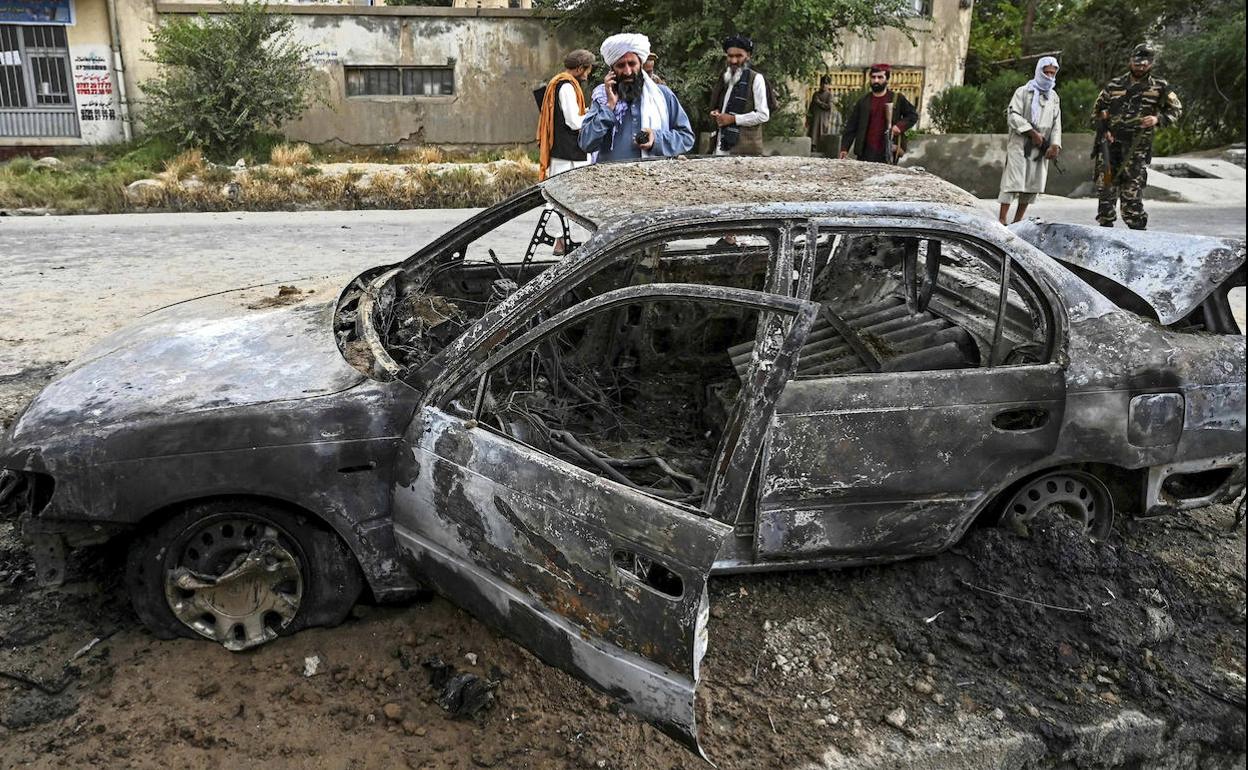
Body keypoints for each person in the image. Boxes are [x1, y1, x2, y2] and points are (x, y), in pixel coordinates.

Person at [1092, 44, 1182, 229]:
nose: (1140, 67)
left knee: (1132, 198)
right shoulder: (1114, 85)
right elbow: (1098, 109)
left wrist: (1157, 119)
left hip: (1137, 151)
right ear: (1130, 62)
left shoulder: (1160, 87)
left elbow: (1176, 110)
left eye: (1144, 64)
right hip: (1109, 150)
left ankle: (1138, 235)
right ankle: (1105, 233)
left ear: (1150, 64)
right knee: (1106, 194)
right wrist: (1104, 129)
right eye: (1137, 63)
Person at [579, 33, 695, 162]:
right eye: (621, 65)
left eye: (632, 64)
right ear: (612, 69)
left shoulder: (662, 95)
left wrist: (656, 139)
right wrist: (609, 108)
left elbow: (686, 138)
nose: (627, 71)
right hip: (610, 179)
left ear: (640, 64)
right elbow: (585, 143)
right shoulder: (602, 98)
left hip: (653, 178)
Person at [997, 56, 1063, 224]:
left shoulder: (1053, 97)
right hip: (1020, 142)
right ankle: (1002, 219)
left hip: (1041, 147)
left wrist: (1054, 144)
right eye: (1046, 72)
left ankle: (1018, 222)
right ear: (1039, 71)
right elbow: (1013, 115)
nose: (1048, 76)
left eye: (1052, 73)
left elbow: (1057, 123)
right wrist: (1032, 132)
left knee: (1032, 184)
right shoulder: (1024, 91)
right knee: (1013, 182)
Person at [838, 64, 918, 164]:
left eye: (880, 77)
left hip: (888, 151)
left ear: (887, 79)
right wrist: (844, 148)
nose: (876, 80)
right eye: (873, 77)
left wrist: (899, 127)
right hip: (865, 153)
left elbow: (912, 115)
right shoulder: (863, 102)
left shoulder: (897, 99)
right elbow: (851, 126)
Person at [708, 34, 772, 156]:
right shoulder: (726, 77)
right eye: (730, 56)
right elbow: (724, 107)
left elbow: (763, 115)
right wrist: (717, 114)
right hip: (721, 147)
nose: (733, 61)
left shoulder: (756, 79)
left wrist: (733, 119)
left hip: (745, 151)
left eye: (739, 56)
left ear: (748, 56)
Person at [537, 49, 595, 181]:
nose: (588, 75)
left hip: (564, 154)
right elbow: (573, 122)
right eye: (588, 70)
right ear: (580, 69)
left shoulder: (561, 83)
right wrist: (592, 117)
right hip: (568, 158)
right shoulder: (567, 87)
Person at [807, 75, 835, 155]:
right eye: (823, 83)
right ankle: (813, 148)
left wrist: (819, 102)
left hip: (823, 119)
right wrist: (808, 118)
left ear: (828, 85)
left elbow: (828, 106)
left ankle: (821, 149)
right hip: (814, 118)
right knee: (813, 133)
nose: (824, 85)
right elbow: (811, 107)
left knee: (822, 134)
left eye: (826, 84)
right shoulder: (816, 94)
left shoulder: (829, 95)